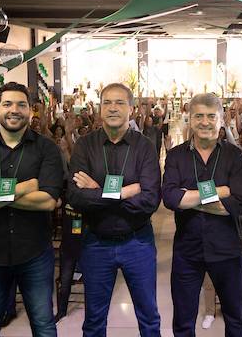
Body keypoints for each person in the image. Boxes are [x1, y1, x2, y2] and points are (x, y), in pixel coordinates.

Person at [0, 82, 64, 337]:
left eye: (21, 104)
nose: (14, 110)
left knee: (44, 326)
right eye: (7, 104)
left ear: (31, 111)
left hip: (35, 254)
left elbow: (48, 201)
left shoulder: (47, 149)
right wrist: (26, 187)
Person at [67, 83, 161, 337]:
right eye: (107, 102)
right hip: (96, 242)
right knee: (94, 321)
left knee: (149, 318)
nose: (113, 108)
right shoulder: (85, 146)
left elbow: (150, 200)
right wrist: (125, 192)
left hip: (137, 241)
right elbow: (75, 196)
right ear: (99, 109)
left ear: (131, 109)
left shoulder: (144, 147)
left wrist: (97, 191)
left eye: (119, 103)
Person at [162, 93, 242, 337]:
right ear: (189, 120)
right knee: (183, 322)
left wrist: (187, 198)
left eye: (211, 116)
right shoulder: (177, 155)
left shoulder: (234, 155)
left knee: (236, 319)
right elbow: (169, 199)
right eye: (198, 116)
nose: (205, 122)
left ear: (221, 120)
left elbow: (240, 203)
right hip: (187, 251)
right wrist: (220, 192)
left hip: (227, 250)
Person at [55, 203, 83, 323]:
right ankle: (61, 311)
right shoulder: (66, 192)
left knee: (93, 282)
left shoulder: (88, 197)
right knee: (65, 282)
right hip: (67, 246)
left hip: (86, 247)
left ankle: (93, 312)